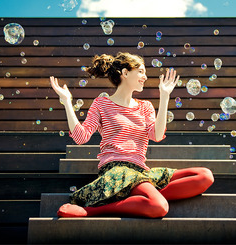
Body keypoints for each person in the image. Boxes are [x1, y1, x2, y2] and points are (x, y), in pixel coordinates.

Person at [49, 52, 214, 218]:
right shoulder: (102, 103)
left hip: (140, 172)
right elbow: (81, 136)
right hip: (117, 170)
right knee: (159, 206)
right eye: (141, 71)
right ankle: (91, 211)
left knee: (204, 176)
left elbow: (156, 135)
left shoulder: (145, 107)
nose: (145, 77)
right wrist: (67, 102)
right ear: (125, 73)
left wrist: (165, 96)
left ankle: (140, 198)